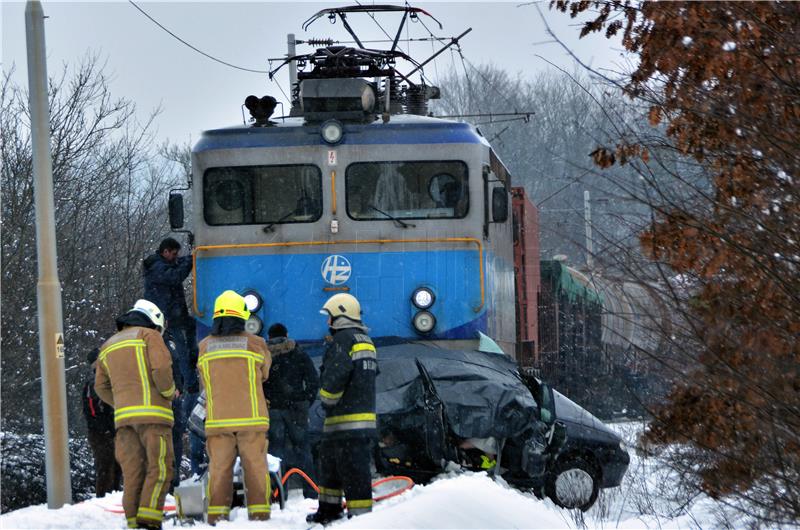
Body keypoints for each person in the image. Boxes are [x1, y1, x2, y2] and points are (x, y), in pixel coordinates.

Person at [94, 299, 176, 530]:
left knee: (133, 472)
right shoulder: (150, 336)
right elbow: (161, 369)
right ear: (154, 322)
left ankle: (132, 522)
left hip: (124, 422)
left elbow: (100, 387)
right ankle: (149, 520)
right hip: (154, 418)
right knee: (159, 467)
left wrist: (121, 403)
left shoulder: (108, 344)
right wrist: (168, 393)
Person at [198, 290, 272, 524]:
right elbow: (265, 374)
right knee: (256, 469)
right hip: (251, 418)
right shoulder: (256, 343)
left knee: (219, 470)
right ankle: (259, 516)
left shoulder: (204, 346)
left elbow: (203, 379)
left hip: (218, 419)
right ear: (242, 316)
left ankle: (217, 517)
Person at [307, 293, 377, 524]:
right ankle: (329, 509)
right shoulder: (365, 339)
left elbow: (336, 376)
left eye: (330, 316)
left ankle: (358, 517)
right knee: (335, 466)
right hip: (359, 421)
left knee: (347, 470)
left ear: (340, 315)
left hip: (344, 420)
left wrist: (326, 400)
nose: (328, 322)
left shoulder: (343, 340)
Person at [143, 237, 202, 485]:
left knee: (187, 350)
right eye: (174, 255)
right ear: (166, 251)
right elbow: (174, 276)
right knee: (180, 353)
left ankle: (189, 383)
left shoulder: (160, 265)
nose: (176, 259)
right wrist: (191, 260)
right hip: (171, 316)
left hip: (176, 315)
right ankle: (189, 385)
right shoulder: (157, 267)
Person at [262, 323, 319, 498]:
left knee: (276, 453)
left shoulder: (264, 356)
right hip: (296, 409)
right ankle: (310, 492)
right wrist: (305, 400)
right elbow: (313, 380)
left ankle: (279, 493)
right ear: (286, 334)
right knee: (303, 449)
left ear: (269, 337)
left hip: (273, 410)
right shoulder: (298, 353)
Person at [82, 347, 121, 497]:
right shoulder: (94, 383)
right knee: (106, 465)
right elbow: (92, 411)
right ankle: (105, 496)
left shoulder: (105, 380)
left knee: (115, 465)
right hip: (101, 432)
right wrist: (107, 429)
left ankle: (114, 495)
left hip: (109, 429)